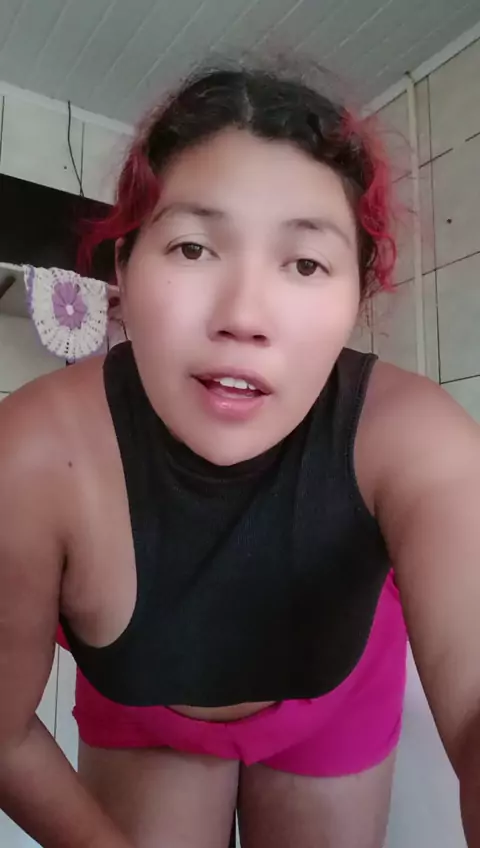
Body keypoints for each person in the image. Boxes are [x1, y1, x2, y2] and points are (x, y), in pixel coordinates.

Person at [0, 63, 479, 848]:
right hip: (143, 716)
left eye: (305, 264)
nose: (245, 315)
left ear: (357, 299)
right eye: (192, 248)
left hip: (335, 705)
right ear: (123, 269)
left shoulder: (418, 439)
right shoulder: (31, 456)